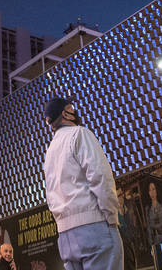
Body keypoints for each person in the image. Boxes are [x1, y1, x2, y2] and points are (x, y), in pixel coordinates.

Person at [42, 97, 123, 270]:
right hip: (94, 226)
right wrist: (111, 216)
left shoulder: (50, 152)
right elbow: (100, 176)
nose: (75, 111)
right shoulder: (79, 133)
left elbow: (49, 194)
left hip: (65, 236)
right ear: (65, 114)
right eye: (71, 108)